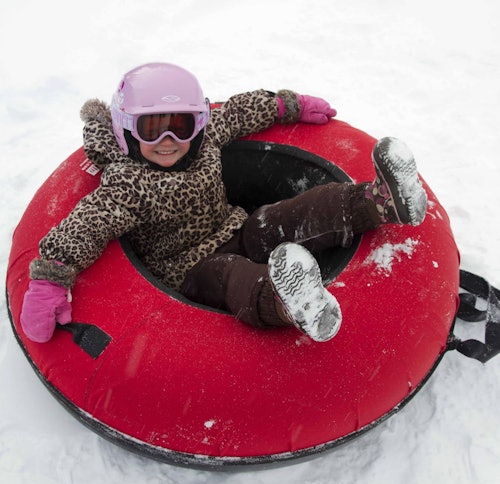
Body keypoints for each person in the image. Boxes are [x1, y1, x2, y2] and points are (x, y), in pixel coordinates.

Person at [20, 62, 427, 344]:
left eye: (180, 126)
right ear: (127, 130)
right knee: (233, 276)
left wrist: (287, 105)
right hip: (190, 268)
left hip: (237, 228)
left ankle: (379, 202)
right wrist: (50, 278)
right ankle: (289, 302)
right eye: (152, 128)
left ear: (197, 122)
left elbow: (238, 111)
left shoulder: (206, 139)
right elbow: (86, 223)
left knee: (285, 217)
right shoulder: (127, 182)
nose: (169, 141)